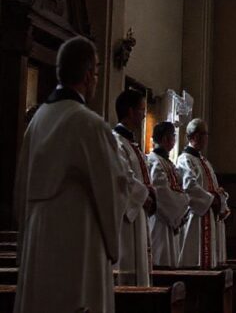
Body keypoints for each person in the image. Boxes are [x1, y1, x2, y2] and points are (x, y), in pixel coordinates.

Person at [14, 36, 125, 313]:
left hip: (38, 241)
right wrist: (114, 247)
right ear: (88, 75)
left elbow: (20, 191)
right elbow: (112, 190)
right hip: (78, 242)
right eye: (97, 73)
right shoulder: (88, 124)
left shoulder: (37, 121)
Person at [113, 89, 155, 286]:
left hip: (138, 215)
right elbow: (122, 176)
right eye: (141, 110)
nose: (144, 115)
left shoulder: (131, 143)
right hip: (126, 220)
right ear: (130, 112)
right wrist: (144, 196)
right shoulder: (116, 141)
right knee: (127, 273)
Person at [177, 118, 230, 268]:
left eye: (206, 134)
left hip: (209, 216)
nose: (206, 138)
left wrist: (220, 197)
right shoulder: (185, 160)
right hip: (196, 219)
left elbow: (215, 188)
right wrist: (212, 199)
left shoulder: (204, 161)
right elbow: (189, 187)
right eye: (204, 134)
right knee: (195, 262)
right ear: (194, 136)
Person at [148, 121, 190, 267]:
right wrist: (184, 203)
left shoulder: (168, 163)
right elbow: (161, 193)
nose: (175, 139)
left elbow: (179, 186)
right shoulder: (154, 161)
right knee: (161, 261)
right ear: (166, 138)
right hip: (161, 222)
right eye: (173, 136)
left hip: (171, 222)